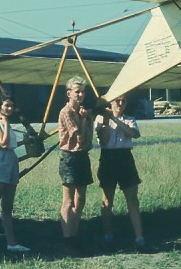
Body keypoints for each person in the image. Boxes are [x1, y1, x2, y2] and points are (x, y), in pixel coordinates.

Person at [0, 94, 30, 255]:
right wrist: (6, 124)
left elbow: (10, 144)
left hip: (10, 160)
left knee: (8, 206)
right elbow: (3, 143)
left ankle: (11, 242)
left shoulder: (5, 123)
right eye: (6, 105)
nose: (9, 109)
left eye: (11, 106)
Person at [95, 93, 145, 248]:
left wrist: (116, 119)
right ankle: (108, 234)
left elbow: (134, 134)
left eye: (124, 101)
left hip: (125, 159)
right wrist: (106, 120)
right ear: (111, 102)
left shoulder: (129, 119)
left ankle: (139, 237)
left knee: (132, 199)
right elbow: (103, 140)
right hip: (108, 158)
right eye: (118, 101)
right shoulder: (100, 119)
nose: (120, 104)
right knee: (107, 200)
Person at [57, 75, 95, 253]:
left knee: (81, 199)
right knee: (69, 200)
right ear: (69, 93)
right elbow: (78, 136)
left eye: (83, 92)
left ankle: (74, 232)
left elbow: (89, 140)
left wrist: (87, 118)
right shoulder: (66, 112)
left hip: (83, 156)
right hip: (70, 158)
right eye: (77, 92)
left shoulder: (83, 112)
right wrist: (85, 118)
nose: (80, 95)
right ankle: (67, 238)